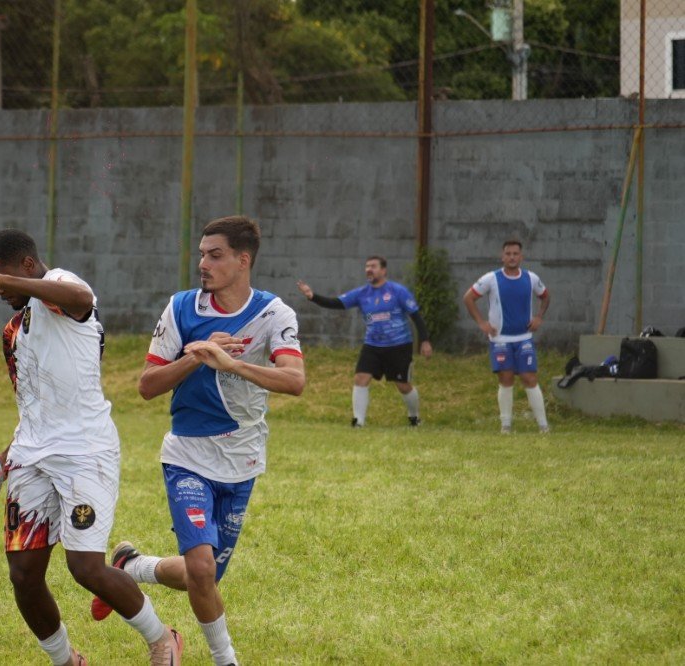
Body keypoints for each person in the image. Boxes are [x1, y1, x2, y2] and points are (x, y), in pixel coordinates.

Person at [0, 229, 184, 666]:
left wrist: (3, 280)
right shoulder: (13, 331)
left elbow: (79, 298)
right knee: (23, 575)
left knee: (85, 568)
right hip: (30, 457)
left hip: (84, 453)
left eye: (0, 276)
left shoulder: (61, 289)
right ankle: (66, 661)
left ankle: (162, 639)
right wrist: (2, 459)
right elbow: (34, 405)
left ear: (26, 266)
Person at [90, 216, 305, 666]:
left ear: (243, 260)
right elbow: (147, 386)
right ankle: (225, 659)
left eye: (215, 255)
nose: (203, 263)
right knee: (203, 570)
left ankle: (132, 566)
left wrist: (231, 363)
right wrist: (197, 356)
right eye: (202, 254)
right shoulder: (181, 308)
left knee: (201, 577)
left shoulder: (274, 313)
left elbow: (294, 380)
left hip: (242, 459)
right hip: (186, 454)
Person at [296, 256, 432, 428]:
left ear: (383, 270)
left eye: (373, 266)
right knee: (361, 378)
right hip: (372, 345)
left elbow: (416, 316)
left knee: (403, 385)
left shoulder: (398, 291)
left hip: (399, 345)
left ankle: (414, 417)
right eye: (367, 266)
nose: (369, 269)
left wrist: (425, 341)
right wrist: (312, 296)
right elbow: (336, 303)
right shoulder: (362, 293)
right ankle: (358, 422)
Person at [463, 239, 550, 434]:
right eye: (508, 254)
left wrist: (539, 317)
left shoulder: (531, 278)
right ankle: (506, 426)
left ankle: (543, 426)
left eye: (515, 254)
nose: (512, 257)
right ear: (502, 257)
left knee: (529, 377)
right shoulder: (491, 278)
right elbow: (468, 298)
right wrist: (481, 323)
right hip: (500, 339)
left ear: (521, 257)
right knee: (506, 377)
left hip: (524, 338)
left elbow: (545, 296)